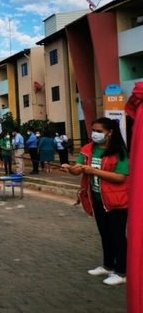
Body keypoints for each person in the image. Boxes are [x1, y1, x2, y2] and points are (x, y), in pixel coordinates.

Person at [62, 117, 129, 286]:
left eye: (99, 131)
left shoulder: (119, 151)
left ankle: (122, 272)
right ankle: (108, 266)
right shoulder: (88, 149)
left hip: (116, 201)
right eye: (93, 130)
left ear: (110, 132)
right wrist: (70, 169)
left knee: (118, 236)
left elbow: (120, 177)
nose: (95, 134)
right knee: (105, 234)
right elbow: (78, 170)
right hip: (97, 200)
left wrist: (93, 170)